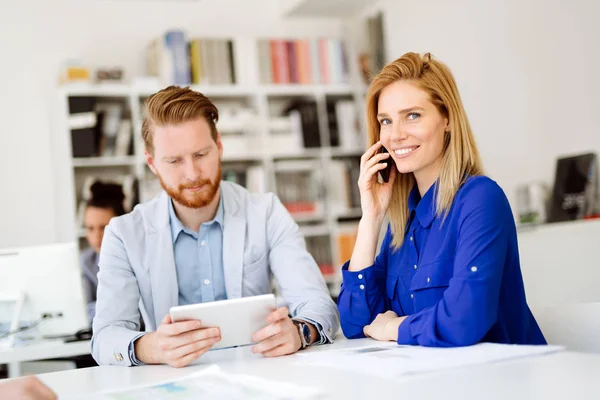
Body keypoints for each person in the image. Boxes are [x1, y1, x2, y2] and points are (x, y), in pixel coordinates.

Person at [92, 86, 339, 367]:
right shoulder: (124, 234)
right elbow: (104, 339)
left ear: (219, 146)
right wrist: (151, 347)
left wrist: (299, 331)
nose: (192, 174)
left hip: (261, 373)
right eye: (174, 161)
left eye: (200, 155)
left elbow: (319, 305)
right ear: (152, 163)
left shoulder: (266, 212)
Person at [337, 52, 546, 347]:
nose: (395, 135)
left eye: (412, 115)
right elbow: (356, 324)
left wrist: (396, 327)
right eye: (385, 121)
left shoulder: (480, 200)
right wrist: (370, 218)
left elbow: (465, 320)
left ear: (446, 118)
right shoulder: (401, 225)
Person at [81, 181, 126, 323]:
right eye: (90, 228)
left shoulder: (141, 259)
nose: (96, 236)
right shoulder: (86, 262)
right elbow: (82, 311)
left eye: (103, 228)